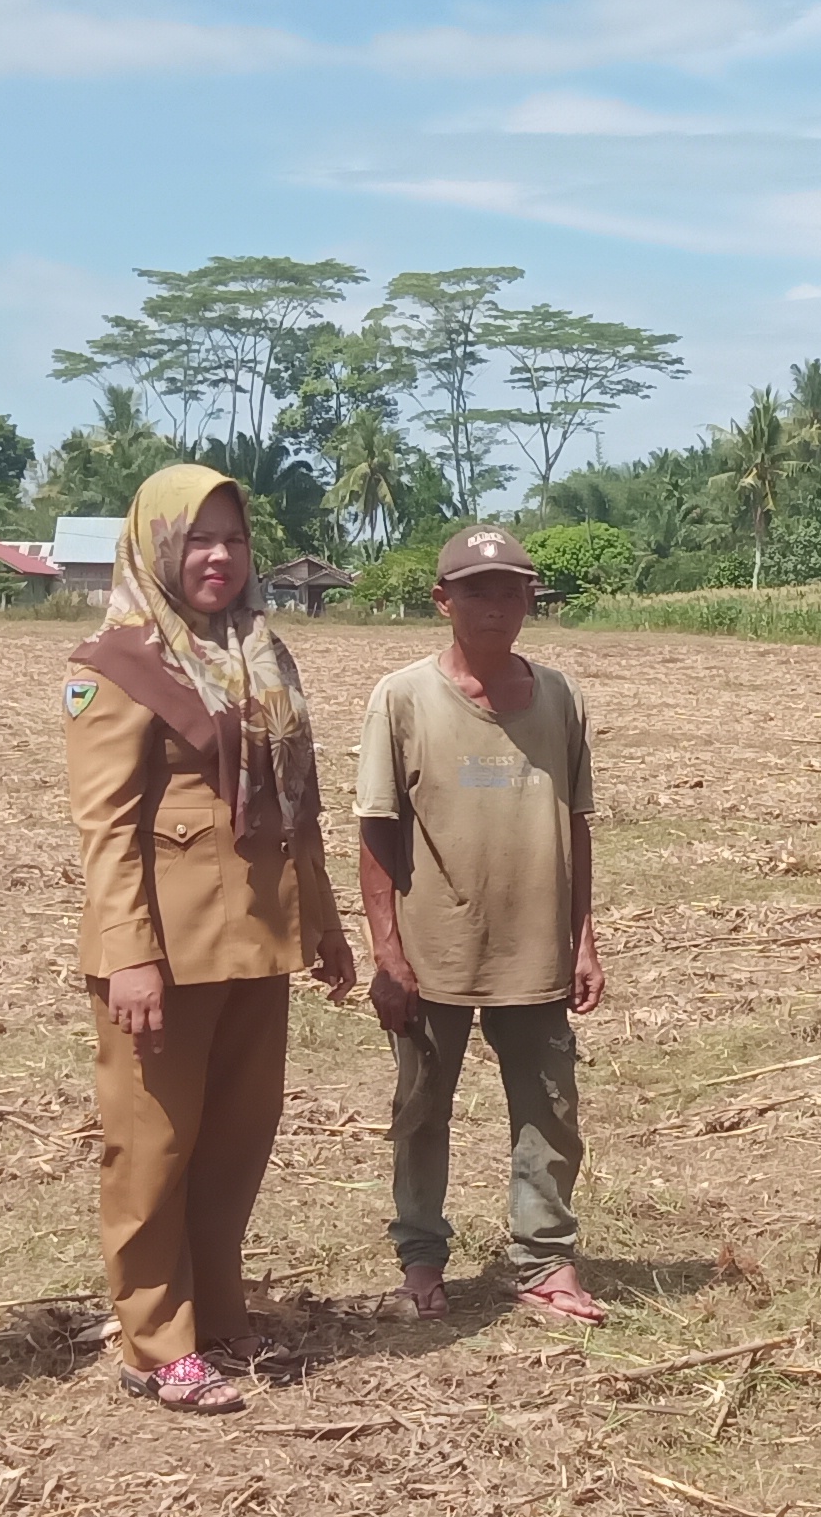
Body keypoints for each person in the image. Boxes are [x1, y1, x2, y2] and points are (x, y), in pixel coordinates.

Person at [67, 462, 357, 1414]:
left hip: (258, 939)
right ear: (158, 547)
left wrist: (323, 922)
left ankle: (219, 1315)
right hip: (165, 949)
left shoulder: (263, 656)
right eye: (199, 540)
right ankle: (155, 1340)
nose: (220, 557)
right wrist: (128, 953)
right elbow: (105, 825)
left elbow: (297, 805)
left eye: (233, 539)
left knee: (236, 1139)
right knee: (151, 1147)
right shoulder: (118, 666)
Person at [357, 525, 609, 1326]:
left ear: (530, 598)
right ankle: (421, 1261)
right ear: (444, 601)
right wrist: (387, 951)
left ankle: (543, 1261)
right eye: (477, 590)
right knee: (422, 1110)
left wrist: (584, 936)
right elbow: (376, 828)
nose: (497, 606)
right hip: (434, 951)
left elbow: (578, 822)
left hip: (534, 947)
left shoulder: (560, 697)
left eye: (511, 590)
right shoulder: (403, 697)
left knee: (548, 1109)